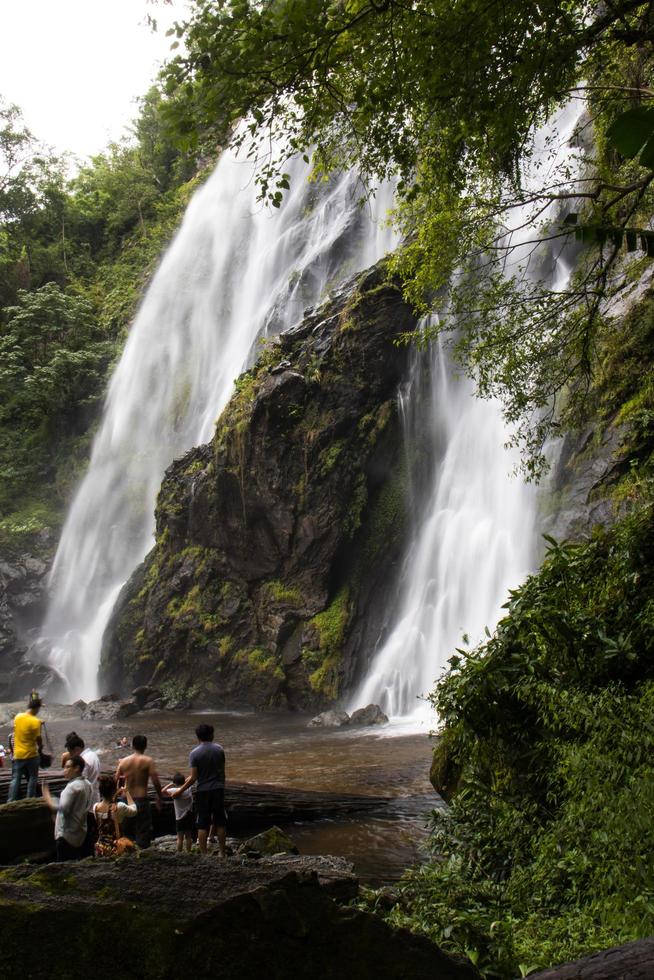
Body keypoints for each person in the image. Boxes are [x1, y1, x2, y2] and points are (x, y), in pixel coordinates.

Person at [172, 723, 226, 857]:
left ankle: (203, 854)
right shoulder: (219, 749)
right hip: (218, 789)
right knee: (220, 822)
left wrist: (179, 791)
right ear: (211, 735)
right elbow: (222, 771)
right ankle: (222, 853)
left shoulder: (194, 753)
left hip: (203, 791)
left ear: (198, 737)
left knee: (202, 823)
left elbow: (194, 778)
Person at [42, 755, 93, 861]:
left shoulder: (71, 788)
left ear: (77, 768)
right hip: (81, 832)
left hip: (66, 835)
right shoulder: (88, 784)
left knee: (64, 866)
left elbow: (62, 808)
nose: (64, 770)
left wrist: (46, 795)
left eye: (67, 767)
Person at [116, 735, 163, 849]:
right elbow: (156, 781)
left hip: (126, 799)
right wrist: (159, 797)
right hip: (141, 800)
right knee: (143, 831)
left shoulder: (123, 762)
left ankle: (126, 854)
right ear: (145, 746)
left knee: (126, 831)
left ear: (132, 745)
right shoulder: (148, 761)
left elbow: (116, 780)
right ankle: (142, 856)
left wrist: (113, 799)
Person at [8, 693, 43, 801]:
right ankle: (29, 800)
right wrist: (41, 746)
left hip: (18, 754)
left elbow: (18, 730)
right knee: (33, 777)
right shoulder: (36, 722)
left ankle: (11, 801)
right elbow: (38, 740)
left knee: (15, 779)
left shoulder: (18, 717)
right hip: (31, 755)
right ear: (36, 708)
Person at [93, 774, 137, 856]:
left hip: (101, 848)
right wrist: (127, 792)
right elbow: (134, 810)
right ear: (114, 790)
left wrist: (115, 794)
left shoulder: (95, 807)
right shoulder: (119, 806)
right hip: (116, 848)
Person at [61, 733, 101, 805]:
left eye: (71, 752)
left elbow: (81, 783)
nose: (71, 755)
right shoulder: (93, 754)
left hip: (86, 799)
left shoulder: (83, 761)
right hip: (94, 795)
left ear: (77, 749)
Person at [162, 772, 194, 853]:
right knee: (188, 837)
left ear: (175, 783)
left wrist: (171, 784)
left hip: (179, 817)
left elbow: (162, 791)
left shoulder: (173, 790)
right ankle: (189, 853)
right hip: (189, 815)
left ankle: (179, 853)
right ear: (184, 782)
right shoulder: (188, 789)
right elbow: (191, 778)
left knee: (180, 838)